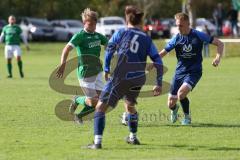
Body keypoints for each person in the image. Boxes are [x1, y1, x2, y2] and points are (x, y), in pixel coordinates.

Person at [87, 5, 163, 149]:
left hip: (120, 76)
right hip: (138, 78)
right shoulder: (146, 39)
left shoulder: (121, 32)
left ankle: (97, 143)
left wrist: (107, 68)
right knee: (130, 106)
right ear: (140, 22)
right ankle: (133, 138)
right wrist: (158, 82)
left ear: (126, 20)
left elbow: (109, 50)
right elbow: (158, 61)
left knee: (100, 108)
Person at [158, 12, 224, 125]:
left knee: (181, 94)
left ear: (188, 24)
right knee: (170, 104)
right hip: (179, 72)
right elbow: (163, 53)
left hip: (194, 71)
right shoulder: (176, 38)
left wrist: (217, 58)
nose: (178, 28)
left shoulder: (198, 35)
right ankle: (175, 109)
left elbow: (219, 43)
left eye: (181, 25)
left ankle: (187, 117)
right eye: (177, 25)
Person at [56, 8, 109, 123]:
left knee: (101, 101)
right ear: (84, 23)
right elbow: (66, 49)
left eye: (95, 23)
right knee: (92, 101)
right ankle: (77, 99)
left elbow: (110, 46)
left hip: (98, 72)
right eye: (90, 23)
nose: (93, 26)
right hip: (85, 73)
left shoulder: (98, 36)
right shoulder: (80, 36)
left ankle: (79, 117)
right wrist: (63, 64)